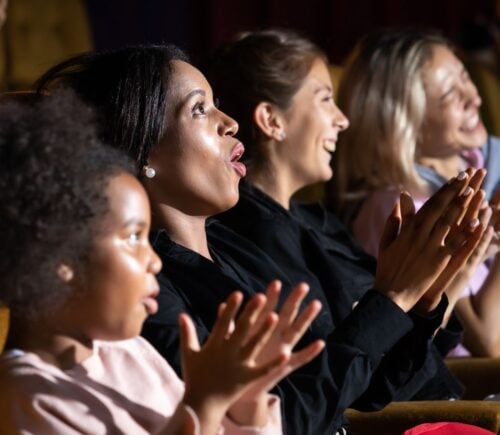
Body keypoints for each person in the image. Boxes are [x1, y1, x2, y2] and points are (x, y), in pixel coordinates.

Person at [37, 44, 485, 434]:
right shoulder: (148, 290)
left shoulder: (235, 250)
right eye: (199, 109)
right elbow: (285, 420)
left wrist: (420, 295)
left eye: (217, 104)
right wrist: (389, 297)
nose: (229, 122)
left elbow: (357, 386)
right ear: (142, 151)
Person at [0, 91, 324, 434]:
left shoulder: (132, 352)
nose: (154, 261)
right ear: (58, 254)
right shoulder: (28, 398)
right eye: (133, 237)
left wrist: (246, 402)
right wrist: (203, 405)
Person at [329, 30, 500, 357]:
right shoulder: (403, 207)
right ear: (405, 121)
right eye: (451, 95)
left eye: (466, 77)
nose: (475, 99)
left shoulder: (482, 164)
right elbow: (487, 344)